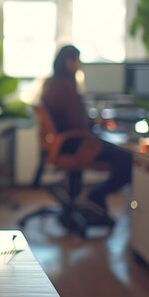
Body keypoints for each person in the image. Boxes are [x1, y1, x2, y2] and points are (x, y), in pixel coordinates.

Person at [41, 45, 132, 218]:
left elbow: (72, 118)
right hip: (77, 144)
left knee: (116, 152)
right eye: (78, 60)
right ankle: (96, 196)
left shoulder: (54, 84)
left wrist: (93, 122)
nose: (80, 65)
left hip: (67, 143)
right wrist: (93, 127)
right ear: (69, 62)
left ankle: (90, 202)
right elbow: (77, 123)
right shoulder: (65, 87)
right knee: (127, 159)